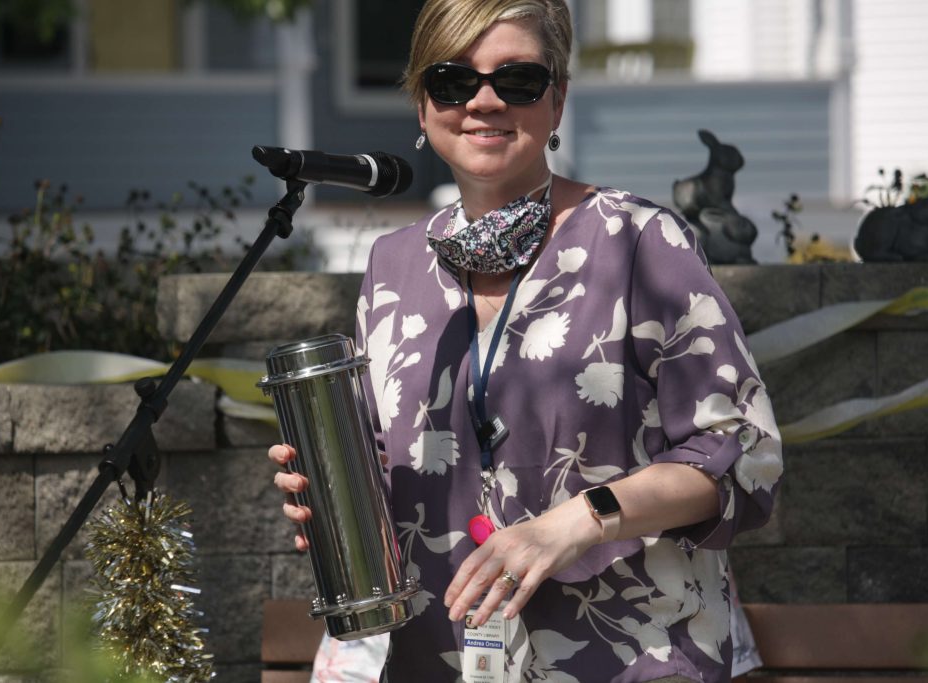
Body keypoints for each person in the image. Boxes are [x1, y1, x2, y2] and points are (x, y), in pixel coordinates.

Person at [270, 0, 783, 680]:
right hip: (441, 659)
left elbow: (745, 455)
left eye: (516, 80)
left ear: (558, 101)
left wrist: (576, 520)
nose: (483, 101)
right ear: (423, 107)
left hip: (631, 658)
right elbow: (394, 468)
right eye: (453, 82)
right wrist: (332, 493)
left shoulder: (638, 239)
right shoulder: (390, 267)